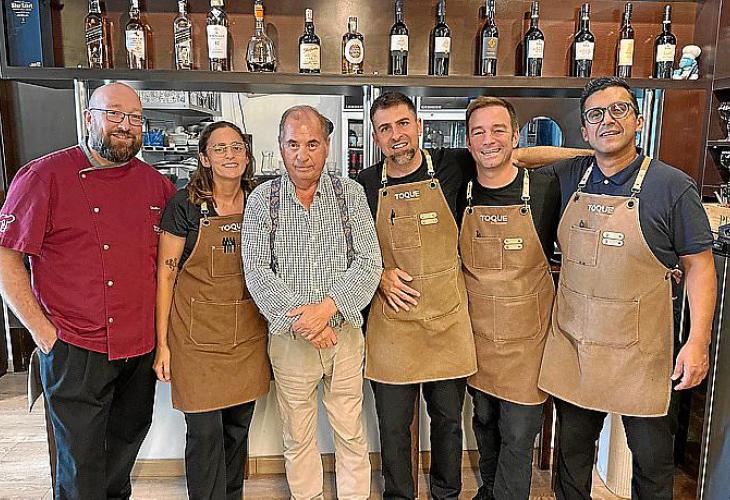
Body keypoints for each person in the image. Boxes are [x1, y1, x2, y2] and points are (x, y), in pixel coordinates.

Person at [537, 76, 716, 499]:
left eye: (619, 110)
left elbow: (699, 266)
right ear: (583, 130)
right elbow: (521, 156)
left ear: (638, 120)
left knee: (653, 465)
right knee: (572, 461)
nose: (608, 120)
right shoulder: (571, 175)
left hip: (644, 353)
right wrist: (591, 149)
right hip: (576, 346)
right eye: (596, 115)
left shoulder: (672, 186)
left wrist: (698, 342)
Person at [0, 82, 176, 499]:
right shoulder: (44, 176)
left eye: (135, 118)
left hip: (139, 348)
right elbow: (6, 258)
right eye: (113, 114)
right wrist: (43, 333)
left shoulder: (156, 185)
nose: (125, 125)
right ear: (89, 118)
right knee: (80, 467)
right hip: (76, 347)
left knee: (123, 452)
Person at [242, 105, 382, 499]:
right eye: (293, 144)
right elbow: (257, 271)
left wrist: (325, 310)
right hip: (290, 341)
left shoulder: (350, 194)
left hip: (344, 336)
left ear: (327, 145)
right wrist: (305, 324)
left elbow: (369, 262)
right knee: (297, 434)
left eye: (312, 144)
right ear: (280, 146)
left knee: (350, 430)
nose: (302, 155)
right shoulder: (263, 200)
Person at [357, 91, 478, 500]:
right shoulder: (365, 185)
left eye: (403, 123)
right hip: (392, 325)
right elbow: (349, 251)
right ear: (376, 137)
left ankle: (446, 493)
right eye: (385, 128)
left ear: (419, 126)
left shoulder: (453, 165)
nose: (396, 135)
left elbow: (511, 160)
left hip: (446, 318)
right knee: (393, 426)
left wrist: (590, 156)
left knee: (448, 421)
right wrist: (378, 275)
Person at [153, 121, 271, 500]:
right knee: (205, 435)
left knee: (237, 431)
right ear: (204, 158)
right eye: (219, 149)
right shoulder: (184, 205)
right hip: (195, 340)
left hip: (247, 336)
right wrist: (162, 345)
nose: (229, 155)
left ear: (247, 156)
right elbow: (166, 275)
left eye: (236, 147)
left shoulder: (260, 201)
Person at [458, 96, 561, 500]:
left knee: (518, 435)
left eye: (499, 130)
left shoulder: (546, 188)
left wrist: (592, 148)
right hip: (478, 338)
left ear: (517, 136)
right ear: (468, 142)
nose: (488, 140)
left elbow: (585, 161)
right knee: (484, 423)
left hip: (527, 344)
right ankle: (489, 490)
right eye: (479, 132)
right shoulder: (460, 188)